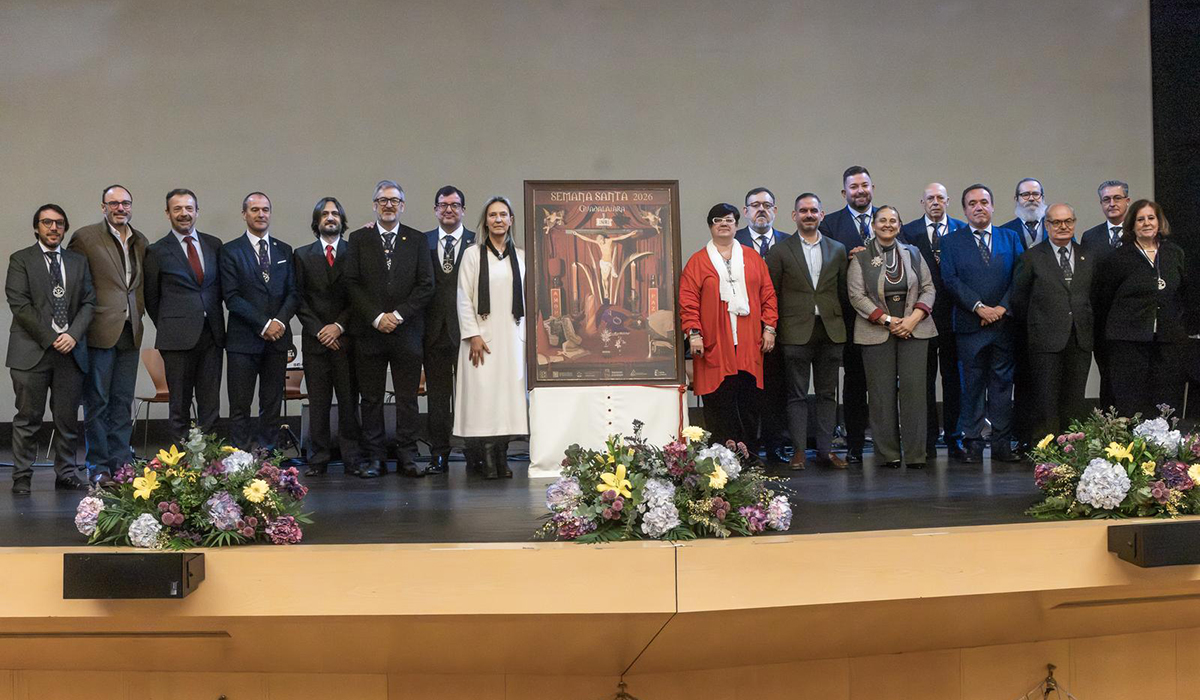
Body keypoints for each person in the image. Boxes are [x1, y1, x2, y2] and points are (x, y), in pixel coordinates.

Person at [344, 180, 434, 479]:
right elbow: (352, 283)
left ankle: (407, 456)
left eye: (394, 200)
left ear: (402, 206)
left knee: (407, 398)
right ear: (374, 205)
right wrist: (375, 317)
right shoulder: (358, 239)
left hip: (406, 331)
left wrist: (396, 315)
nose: (388, 205)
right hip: (369, 333)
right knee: (370, 399)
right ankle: (375, 458)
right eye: (382, 200)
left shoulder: (417, 240)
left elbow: (426, 286)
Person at [6, 204, 95, 494]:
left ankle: (66, 473)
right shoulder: (20, 259)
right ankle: (21, 476)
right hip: (31, 351)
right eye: (47, 222)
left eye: (59, 223)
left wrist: (72, 335)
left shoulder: (78, 261)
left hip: (70, 352)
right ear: (37, 228)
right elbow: (20, 304)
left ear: (65, 228)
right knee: (28, 419)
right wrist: (53, 337)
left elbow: (89, 303)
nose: (53, 228)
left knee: (67, 419)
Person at [680, 203, 778, 455]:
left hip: (748, 341)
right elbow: (688, 300)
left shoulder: (752, 258)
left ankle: (747, 455)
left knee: (748, 399)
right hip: (713, 342)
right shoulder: (698, 261)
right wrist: (694, 332)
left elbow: (768, 295)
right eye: (717, 220)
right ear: (711, 226)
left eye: (729, 220)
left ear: (737, 225)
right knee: (718, 399)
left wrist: (769, 328)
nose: (723, 224)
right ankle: (721, 456)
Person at [67, 184, 148, 485]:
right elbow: (76, 287)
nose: (120, 208)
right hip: (99, 331)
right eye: (113, 203)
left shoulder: (140, 240)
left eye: (125, 203)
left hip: (131, 331)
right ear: (103, 207)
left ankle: (121, 464)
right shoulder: (86, 238)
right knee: (97, 401)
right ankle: (98, 465)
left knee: (122, 401)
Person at [847, 206, 936, 469]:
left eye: (893, 221)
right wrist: (886, 320)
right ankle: (888, 454)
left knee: (915, 393)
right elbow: (856, 296)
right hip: (876, 331)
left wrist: (912, 319)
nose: (888, 224)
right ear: (873, 225)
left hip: (915, 328)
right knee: (880, 395)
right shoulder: (861, 258)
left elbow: (929, 288)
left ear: (899, 225)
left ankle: (916, 454)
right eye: (882, 220)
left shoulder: (914, 253)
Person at [940, 184, 1023, 464]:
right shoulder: (951, 241)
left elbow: (1019, 277)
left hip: (1003, 325)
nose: (979, 207)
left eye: (984, 202)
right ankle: (973, 443)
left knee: (1002, 386)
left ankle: (1001, 443)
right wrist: (979, 307)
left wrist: (1001, 307)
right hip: (969, 325)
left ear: (992, 206)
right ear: (964, 210)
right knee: (971, 387)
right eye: (972, 203)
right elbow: (950, 280)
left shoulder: (1010, 238)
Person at [767, 193, 847, 470]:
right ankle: (799, 451)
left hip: (831, 331)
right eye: (803, 211)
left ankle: (826, 451)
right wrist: (773, 330)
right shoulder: (780, 250)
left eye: (814, 210)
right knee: (796, 395)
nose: (809, 215)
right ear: (794, 216)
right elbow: (772, 294)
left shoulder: (838, 249)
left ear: (822, 215)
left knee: (828, 395)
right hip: (794, 332)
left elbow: (843, 291)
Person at [453, 196, 529, 479]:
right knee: (483, 398)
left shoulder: (520, 257)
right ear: (485, 221)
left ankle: (502, 455)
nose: (498, 219)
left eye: (503, 215)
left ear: (511, 220)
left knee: (508, 399)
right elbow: (463, 298)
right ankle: (485, 456)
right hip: (481, 338)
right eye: (493, 215)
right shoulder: (472, 255)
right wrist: (472, 334)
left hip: (511, 336)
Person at [143, 189, 225, 443]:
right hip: (176, 339)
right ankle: (181, 462)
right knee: (179, 403)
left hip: (211, 334)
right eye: (177, 209)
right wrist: (171, 324)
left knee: (210, 403)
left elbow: (219, 287)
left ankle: (210, 460)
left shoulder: (214, 244)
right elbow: (151, 298)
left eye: (189, 208)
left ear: (197, 212)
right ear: (167, 213)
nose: (184, 214)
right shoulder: (156, 251)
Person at [1092, 200, 1188, 417]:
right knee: (1132, 400)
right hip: (1128, 342)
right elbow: (1104, 299)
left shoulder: (1174, 253)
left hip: (1167, 341)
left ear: (1159, 221)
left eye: (1151, 218)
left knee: (1166, 398)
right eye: (1140, 219)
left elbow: (1183, 294)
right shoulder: (1118, 257)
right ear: (1132, 225)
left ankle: (1164, 446)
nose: (1146, 223)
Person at [219, 192, 299, 450]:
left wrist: (280, 322)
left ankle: (269, 457)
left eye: (265, 209)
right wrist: (265, 324)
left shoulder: (284, 250)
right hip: (243, 341)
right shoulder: (230, 251)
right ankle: (239, 457)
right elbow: (232, 297)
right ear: (244, 214)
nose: (261, 214)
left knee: (272, 403)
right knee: (240, 405)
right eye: (254, 210)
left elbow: (293, 293)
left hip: (277, 341)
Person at [1011, 203, 1096, 439]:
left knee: (1075, 398)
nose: (1063, 226)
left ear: (1075, 223)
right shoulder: (1031, 257)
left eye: (1068, 221)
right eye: (1056, 222)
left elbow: (1093, 295)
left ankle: (1072, 450)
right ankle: (1047, 455)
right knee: (1046, 400)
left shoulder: (1087, 256)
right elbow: (1019, 299)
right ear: (1047, 225)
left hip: (1079, 339)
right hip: (1045, 341)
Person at [900, 183, 968, 461]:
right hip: (921, 318)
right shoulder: (909, 232)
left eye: (941, 198)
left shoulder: (962, 230)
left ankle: (954, 438)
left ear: (948, 201)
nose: (936, 202)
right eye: (930, 198)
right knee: (923, 381)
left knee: (954, 381)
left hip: (955, 317)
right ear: (922, 202)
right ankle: (926, 441)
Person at [294, 197, 361, 476]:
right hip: (316, 342)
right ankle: (318, 459)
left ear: (342, 221)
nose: (330, 217)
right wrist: (321, 330)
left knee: (348, 403)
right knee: (319, 404)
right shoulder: (302, 255)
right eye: (324, 214)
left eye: (335, 213)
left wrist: (339, 326)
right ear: (317, 221)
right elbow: (298, 299)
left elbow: (359, 297)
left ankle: (352, 459)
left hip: (347, 341)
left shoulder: (355, 252)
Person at [818, 166, 875, 463]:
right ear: (844, 193)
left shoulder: (887, 220)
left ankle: (886, 442)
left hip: (884, 320)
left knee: (882, 383)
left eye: (864, 185)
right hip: (848, 319)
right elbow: (824, 272)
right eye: (854, 187)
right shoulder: (829, 225)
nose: (860, 191)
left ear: (872, 188)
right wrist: (847, 260)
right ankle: (854, 445)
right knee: (854, 383)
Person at [735, 187, 790, 464]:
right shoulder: (732, 242)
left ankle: (776, 445)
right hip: (743, 330)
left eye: (767, 204)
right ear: (745, 212)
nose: (761, 209)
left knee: (776, 391)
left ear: (775, 211)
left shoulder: (790, 242)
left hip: (782, 329)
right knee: (747, 390)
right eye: (755, 205)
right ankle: (748, 449)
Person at [423, 185, 476, 475]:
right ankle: (439, 454)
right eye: (443, 205)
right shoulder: (422, 242)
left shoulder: (476, 242)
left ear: (463, 210)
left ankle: (473, 452)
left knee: (470, 395)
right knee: (438, 399)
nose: (448, 210)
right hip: (433, 332)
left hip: (468, 332)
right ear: (435, 210)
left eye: (455, 205)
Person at [1079, 180, 1132, 409]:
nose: (1112, 203)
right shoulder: (1090, 237)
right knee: (1107, 376)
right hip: (1102, 323)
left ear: (1127, 201)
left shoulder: (1139, 233)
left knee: (1131, 377)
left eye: (1117, 198)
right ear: (1101, 204)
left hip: (1134, 323)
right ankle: (1109, 431)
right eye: (1106, 199)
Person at [1000, 178, 1047, 251]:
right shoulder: (1004, 232)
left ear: (1043, 198)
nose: (1031, 198)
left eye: (1036, 194)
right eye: (1025, 195)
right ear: (1016, 199)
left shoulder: (1057, 227)